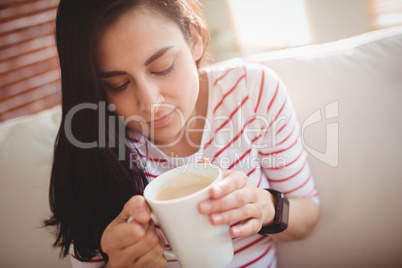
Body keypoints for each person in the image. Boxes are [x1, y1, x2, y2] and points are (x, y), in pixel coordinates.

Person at [45, 0, 320, 267]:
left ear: (195, 39)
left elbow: (308, 215)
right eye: (119, 84)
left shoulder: (252, 93)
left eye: (162, 67)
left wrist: (265, 207)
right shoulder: (91, 146)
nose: (150, 103)